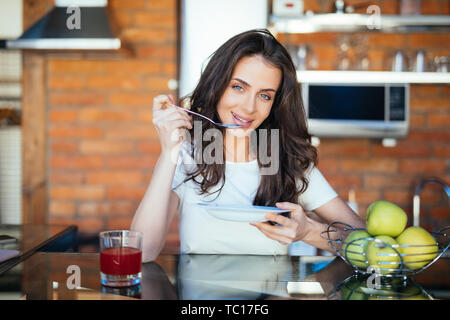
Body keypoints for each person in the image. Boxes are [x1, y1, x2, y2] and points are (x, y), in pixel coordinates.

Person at [131, 29, 365, 262]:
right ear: (217, 85)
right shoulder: (186, 155)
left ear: (275, 105)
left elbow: (365, 243)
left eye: (265, 96)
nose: (249, 107)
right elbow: (142, 254)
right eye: (238, 87)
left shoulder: (289, 162)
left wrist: (310, 232)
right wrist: (169, 152)